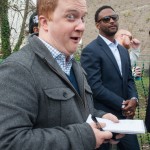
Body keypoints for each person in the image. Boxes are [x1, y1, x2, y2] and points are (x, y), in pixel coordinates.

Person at [0, 1, 123, 149]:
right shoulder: (18, 69)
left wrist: (101, 119)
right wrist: (85, 137)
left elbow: (78, 111)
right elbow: (9, 141)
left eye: (82, 18)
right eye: (71, 17)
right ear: (44, 23)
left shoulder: (74, 66)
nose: (82, 26)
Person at [81, 5, 140, 150]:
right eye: (106, 19)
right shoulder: (90, 51)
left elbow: (129, 80)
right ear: (97, 25)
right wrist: (122, 103)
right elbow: (94, 87)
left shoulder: (123, 51)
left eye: (114, 18)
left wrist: (133, 99)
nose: (112, 21)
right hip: (103, 116)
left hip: (125, 117)